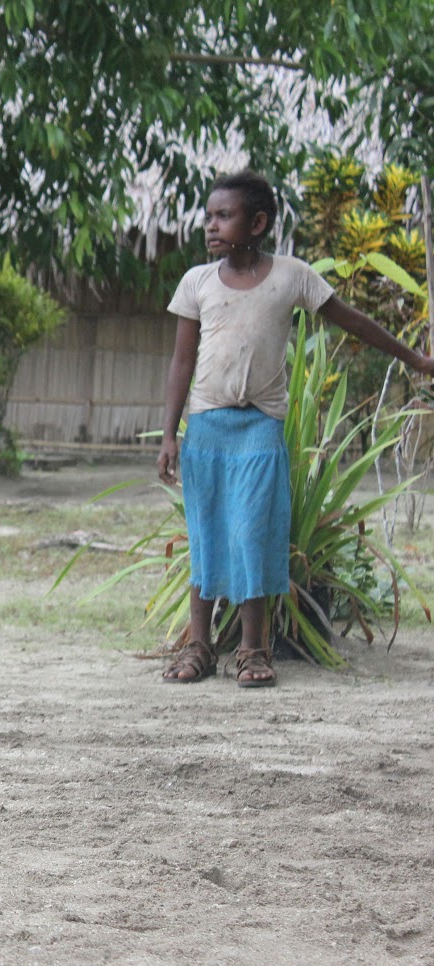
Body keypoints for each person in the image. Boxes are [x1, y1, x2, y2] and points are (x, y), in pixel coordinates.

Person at [157, 170, 434, 687]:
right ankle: (199, 648)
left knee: (252, 534)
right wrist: (170, 434)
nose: (210, 226)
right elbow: (180, 363)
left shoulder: (292, 275)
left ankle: (253, 651)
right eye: (209, 216)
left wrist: (415, 360)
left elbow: (352, 320)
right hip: (208, 427)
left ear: (257, 222)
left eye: (224, 216)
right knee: (207, 534)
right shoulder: (196, 281)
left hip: (260, 426)